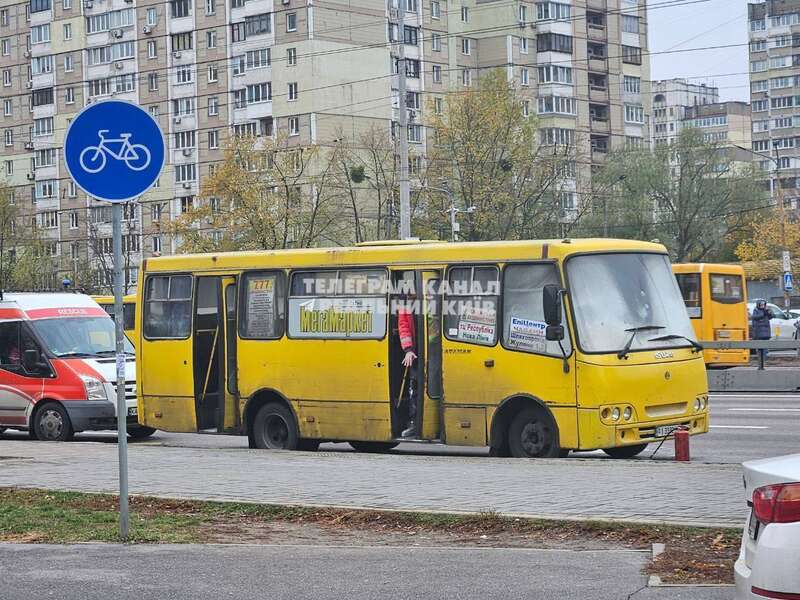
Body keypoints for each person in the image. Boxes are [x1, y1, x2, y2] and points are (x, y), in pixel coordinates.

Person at [398, 295, 418, 439]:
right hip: (415, 353)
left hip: (434, 350)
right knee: (414, 389)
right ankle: (414, 423)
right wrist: (408, 350)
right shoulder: (404, 305)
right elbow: (403, 327)